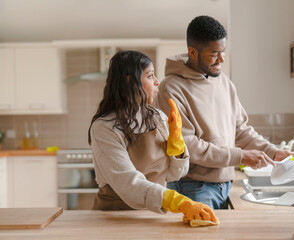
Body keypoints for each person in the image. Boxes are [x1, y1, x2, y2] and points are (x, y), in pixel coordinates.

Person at [154, 15, 294, 209]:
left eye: (223, 51)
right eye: (214, 53)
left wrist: (273, 151)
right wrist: (241, 157)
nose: (221, 59)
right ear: (193, 52)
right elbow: (188, 146)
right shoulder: (171, 89)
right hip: (192, 187)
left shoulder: (224, 82)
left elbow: (241, 131)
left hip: (225, 185)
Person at [88, 50, 217, 223]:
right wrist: (178, 201)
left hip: (152, 213)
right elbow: (128, 184)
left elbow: (173, 175)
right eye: (150, 76)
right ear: (129, 81)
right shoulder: (105, 127)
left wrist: (177, 142)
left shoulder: (157, 117)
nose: (157, 81)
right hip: (114, 217)